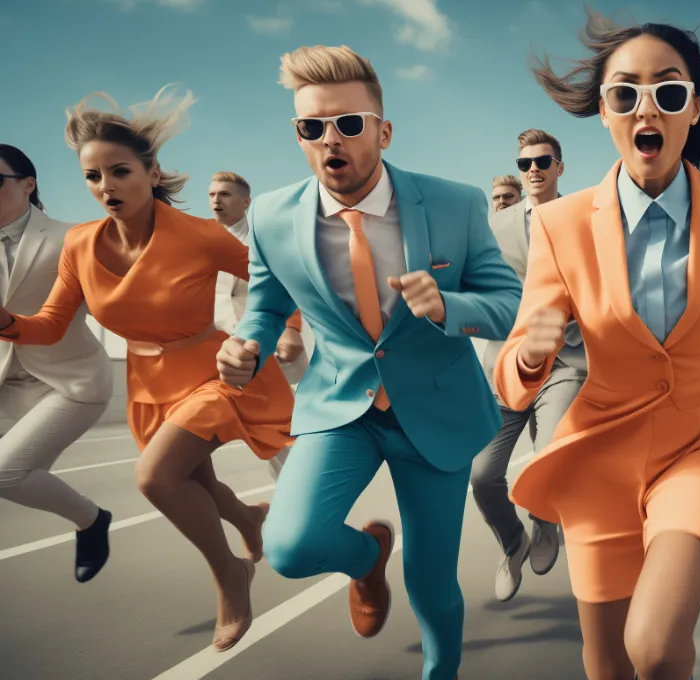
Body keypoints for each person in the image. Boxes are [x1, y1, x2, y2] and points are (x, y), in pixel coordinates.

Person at [216, 44, 522, 680]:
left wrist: (448, 305)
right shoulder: (272, 216)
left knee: (432, 581)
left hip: (435, 412)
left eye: (348, 124)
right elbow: (266, 309)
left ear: (382, 130)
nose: (332, 140)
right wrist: (247, 344)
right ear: (298, 136)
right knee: (290, 546)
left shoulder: (455, 203)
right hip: (341, 406)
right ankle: (365, 558)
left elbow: (507, 304)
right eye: (312, 127)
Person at [493, 10, 700, 680]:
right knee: (608, 663)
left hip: (699, 441)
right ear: (603, 111)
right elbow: (511, 378)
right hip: (599, 452)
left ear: (692, 109)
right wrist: (533, 351)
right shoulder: (562, 225)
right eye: (625, 93)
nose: (646, 107)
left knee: (652, 645)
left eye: (668, 92)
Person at [0, 87, 299, 651]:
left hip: (215, 373)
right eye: (93, 177)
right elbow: (48, 325)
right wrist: (5, 321)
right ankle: (249, 519)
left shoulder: (202, 236)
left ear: (151, 170)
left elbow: (280, 281)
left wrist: (286, 330)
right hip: (147, 385)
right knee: (195, 486)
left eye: (119, 172)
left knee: (155, 477)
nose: (106, 188)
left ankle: (231, 577)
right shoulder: (79, 245)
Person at [474, 128, 581, 602]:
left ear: (559, 166)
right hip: (506, 363)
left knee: (552, 455)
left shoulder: (585, 217)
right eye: (525, 163)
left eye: (542, 161)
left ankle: (544, 521)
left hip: (566, 359)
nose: (533, 169)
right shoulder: (495, 226)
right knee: (480, 475)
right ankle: (512, 540)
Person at [0, 143, 113, 583]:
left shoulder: (74, 237)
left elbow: (117, 301)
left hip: (70, 382)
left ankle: (92, 520)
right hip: (8, 383)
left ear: (28, 185)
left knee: (7, 474)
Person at [209, 171, 306, 479]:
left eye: (224, 194)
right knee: (263, 431)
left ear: (246, 202)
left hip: (269, 344)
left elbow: (288, 283)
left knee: (290, 428)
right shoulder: (204, 240)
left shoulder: (262, 238)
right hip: (226, 351)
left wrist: (291, 328)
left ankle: (303, 502)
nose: (215, 200)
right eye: (211, 195)